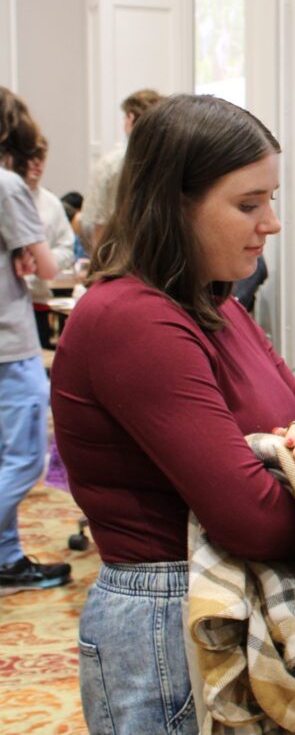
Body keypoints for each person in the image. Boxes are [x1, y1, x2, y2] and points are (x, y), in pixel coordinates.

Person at [50, 94, 295, 732]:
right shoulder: (133, 318)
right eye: (248, 204)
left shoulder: (221, 306)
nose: (271, 222)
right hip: (169, 624)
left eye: (271, 198)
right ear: (173, 204)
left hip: (221, 607)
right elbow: (252, 521)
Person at [0, 87, 70, 590]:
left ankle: (7, 559)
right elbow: (49, 268)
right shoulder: (7, 186)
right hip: (9, 343)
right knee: (25, 460)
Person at [8, 138, 76, 348]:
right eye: (32, 158)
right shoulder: (8, 194)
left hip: (37, 298)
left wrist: (44, 261)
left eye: (42, 159)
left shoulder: (51, 203)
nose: (38, 164)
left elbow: (67, 247)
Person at [81, 88, 163, 249]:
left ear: (130, 118)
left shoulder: (110, 165)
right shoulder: (171, 163)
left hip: (118, 256)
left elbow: (97, 223)